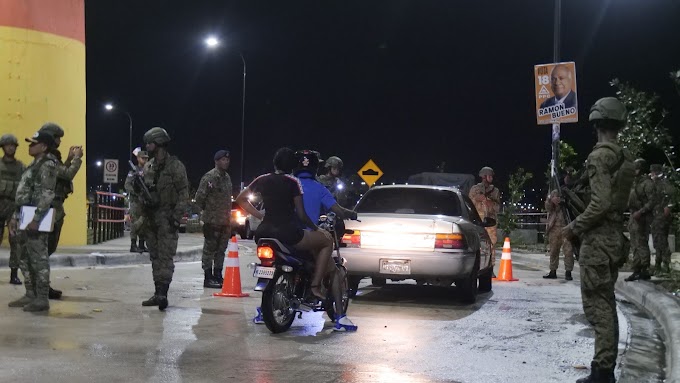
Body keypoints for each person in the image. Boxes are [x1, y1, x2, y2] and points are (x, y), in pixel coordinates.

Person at [562, 97, 635, 383]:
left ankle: (602, 372)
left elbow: (600, 203)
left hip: (599, 239)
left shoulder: (600, 155)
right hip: (614, 236)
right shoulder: (624, 157)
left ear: (597, 122)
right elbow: (617, 200)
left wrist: (573, 227)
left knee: (597, 306)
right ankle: (604, 369)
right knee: (606, 301)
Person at [236, 148, 334, 301]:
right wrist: (317, 229)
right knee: (327, 241)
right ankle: (315, 286)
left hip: (263, 232)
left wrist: (260, 215)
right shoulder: (293, 182)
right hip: (288, 232)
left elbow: (240, 199)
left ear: (275, 162)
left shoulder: (262, 179)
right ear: (292, 166)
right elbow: (301, 215)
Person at [293, 149, 358, 331]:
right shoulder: (318, 186)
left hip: (282, 235)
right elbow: (338, 210)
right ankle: (340, 317)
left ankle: (262, 311)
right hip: (308, 235)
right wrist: (351, 213)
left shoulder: (289, 184)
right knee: (334, 267)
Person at [139, 127, 189, 311]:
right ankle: (157, 291)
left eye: (150, 143)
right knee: (155, 256)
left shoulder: (175, 166)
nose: (147, 146)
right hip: (151, 218)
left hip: (167, 218)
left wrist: (176, 217)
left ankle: (163, 294)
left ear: (159, 143)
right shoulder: (149, 166)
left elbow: (184, 192)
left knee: (166, 257)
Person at [7, 131, 58, 312]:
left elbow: (47, 194)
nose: (29, 146)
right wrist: (15, 217)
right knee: (24, 256)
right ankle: (31, 293)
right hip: (25, 213)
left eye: (33, 143)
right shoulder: (34, 164)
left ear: (43, 146)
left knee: (39, 258)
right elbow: (23, 193)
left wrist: (36, 219)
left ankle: (42, 298)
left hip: (37, 216)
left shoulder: (48, 165)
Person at [39, 122, 83, 300]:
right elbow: (67, 174)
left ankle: (42, 286)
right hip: (48, 208)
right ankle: (40, 287)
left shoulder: (50, 157)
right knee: (43, 250)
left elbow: (61, 173)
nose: (59, 141)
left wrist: (67, 158)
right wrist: (77, 158)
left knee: (46, 249)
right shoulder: (46, 157)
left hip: (52, 207)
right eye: (57, 137)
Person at [194, 149, 232, 289]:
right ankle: (208, 277)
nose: (226, 162)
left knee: (221, 250)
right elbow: (199, 198)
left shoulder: (227, 177)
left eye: (227, 160)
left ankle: (218, 275)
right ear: (216, 161)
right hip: (212, 221)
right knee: (209, 250)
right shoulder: (209, 177)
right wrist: (206, 214)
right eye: (223, 159)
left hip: (225, 222)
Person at [625, 158, 657, 282]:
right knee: (635, 244)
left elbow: (652, 201)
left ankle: (644, 269)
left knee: (641, 243)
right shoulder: (635, 182)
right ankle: (636, 269)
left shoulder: (647, 183)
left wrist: (641, 211)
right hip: (634, 215)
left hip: (642, 217)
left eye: (636, 168)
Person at [0, 134, 26, 285]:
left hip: (13, 206)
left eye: (13, 145)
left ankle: (14, 274)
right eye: (8, 145)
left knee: (15, 241)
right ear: (2, 147)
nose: (11, 147)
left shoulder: (21, 167)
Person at [469, 167, 500, 267]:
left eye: (491, 176)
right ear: (484, 177)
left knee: (491, 245)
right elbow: (469, 204)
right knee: (476, 245)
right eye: (489, 176)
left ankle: (490, 267)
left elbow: (498, 208)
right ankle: (475, 266)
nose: (491, 178)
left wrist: (490, 203)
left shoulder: (495, 191)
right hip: (477, 221)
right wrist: (477, 199)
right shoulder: (475, 189)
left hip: (490, 222)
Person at [543, 188, 574, 281]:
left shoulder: (568, 193)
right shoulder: (554, 192)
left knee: (568, 251)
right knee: (553, 251)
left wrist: (565, 202)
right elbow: (547, 207)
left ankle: (568, 272)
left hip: (566, 226)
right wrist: (551, 201)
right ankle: (553, 271)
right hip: (554, 227)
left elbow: (572, 207)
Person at [649, 164, 675, 275]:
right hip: (655, 216)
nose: (652, 174)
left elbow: (672, 197)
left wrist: (668, 207)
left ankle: (665, 265)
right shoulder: (654, 184)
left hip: (661, 216)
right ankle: (658, 265)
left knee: (662, 241)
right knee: (657, 241)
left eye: (653, 172)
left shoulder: (664, 184)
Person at [124, 147, 149, 253]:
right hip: (136, 201)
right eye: (143, 158)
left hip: (146, 201)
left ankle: (142, 244)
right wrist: (136, 192)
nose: (145, 160)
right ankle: (133, 244)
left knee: (145, 223)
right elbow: (127, 185)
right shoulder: (133, 172)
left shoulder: (149, 171)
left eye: (146, 158)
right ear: (138, 159)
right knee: (136, 223)